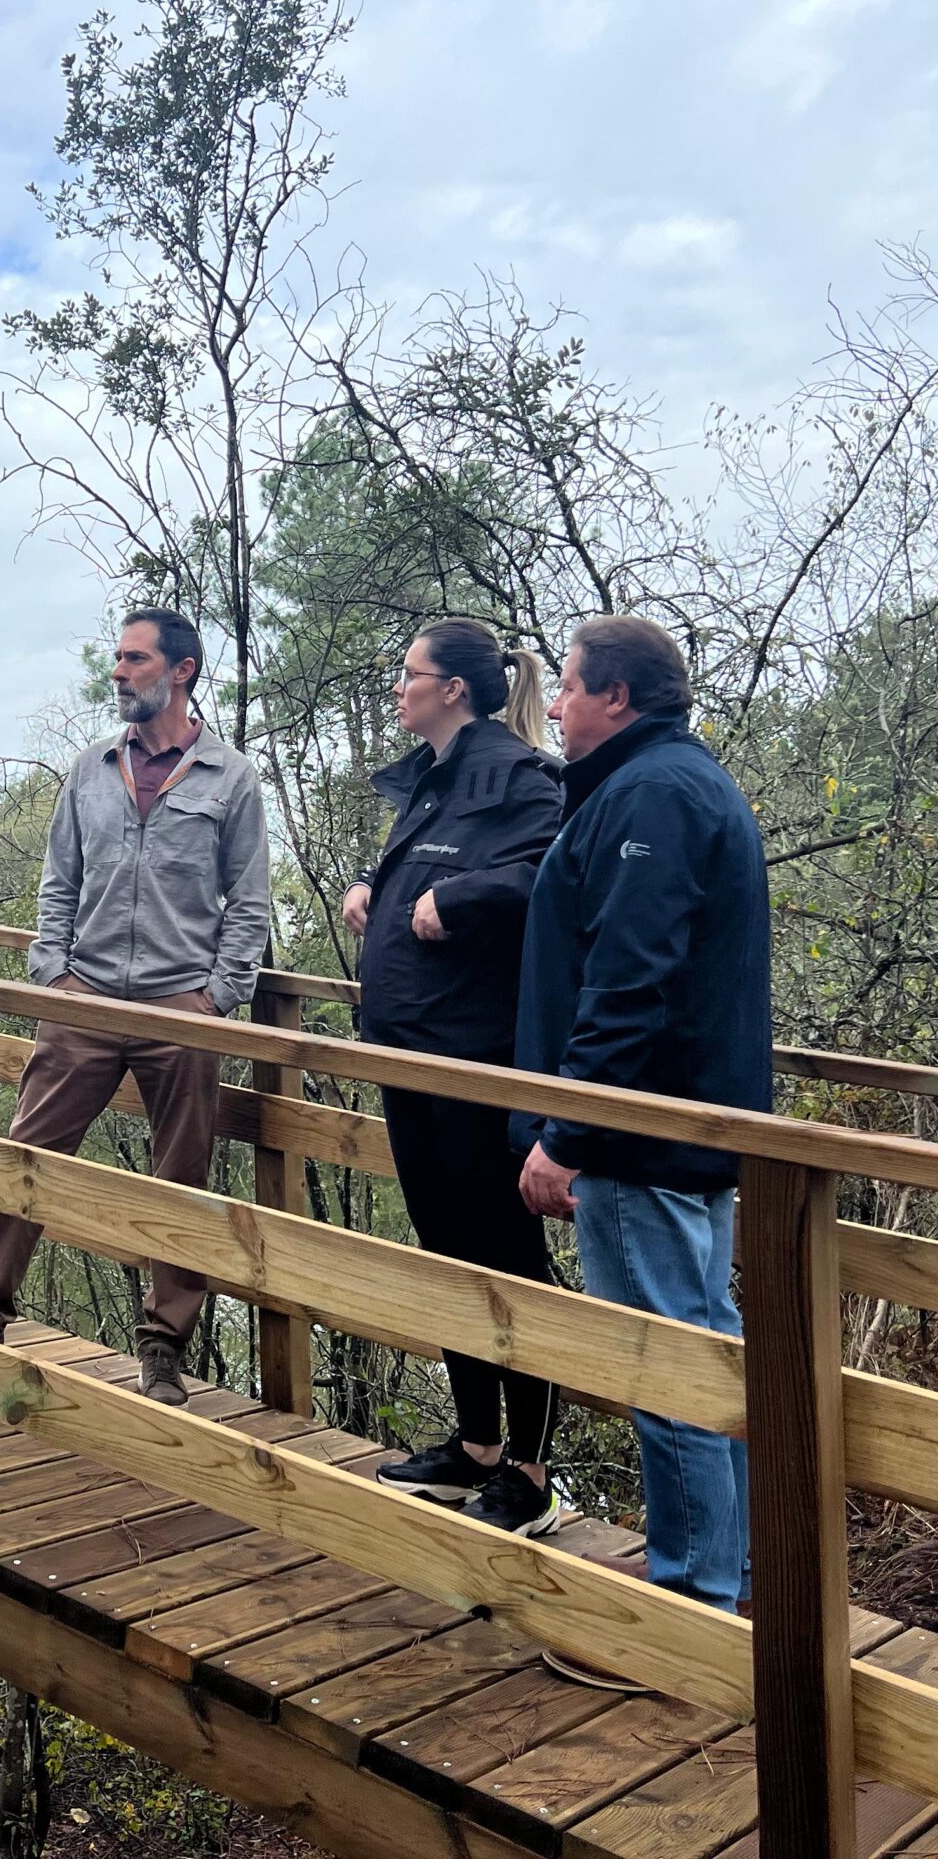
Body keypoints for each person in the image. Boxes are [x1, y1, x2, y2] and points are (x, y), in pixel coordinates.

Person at [514, 615, 771, 1642]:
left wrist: (567, 1131)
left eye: (570, 688)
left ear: (616, 696)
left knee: (662, 1364)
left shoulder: (652, 795)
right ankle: (729, 1574)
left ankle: (692, 1604)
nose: (556, 708)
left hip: (641, 1137)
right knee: (702, 1348)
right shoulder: (675, 782)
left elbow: (629, 981)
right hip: (684, 1128)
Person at [0, 607, 272, 1406]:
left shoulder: (230, 778)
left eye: (135, 659)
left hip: (178, 1009)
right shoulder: (91, 768)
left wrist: (215, 999)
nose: (119, 672)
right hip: (85, 999)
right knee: (30, 1155)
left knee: (181, 1178)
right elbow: (59, 883)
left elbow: (249, 904)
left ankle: (163, 1347)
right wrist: (54, 975)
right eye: (119, 658)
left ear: (182, 670)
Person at [341, 619, 568, 1536]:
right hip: (409, 1050)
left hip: (477, 1060)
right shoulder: (435, 777)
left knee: (507, 1253)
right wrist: (375, 882)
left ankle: (533, 1471)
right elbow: (437, 858)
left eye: (409, 673)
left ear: (454, 690)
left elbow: (549, 875)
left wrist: (459, 899)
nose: (397, 688)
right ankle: (475, 1445)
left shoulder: (523, 775)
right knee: (446, 1247)